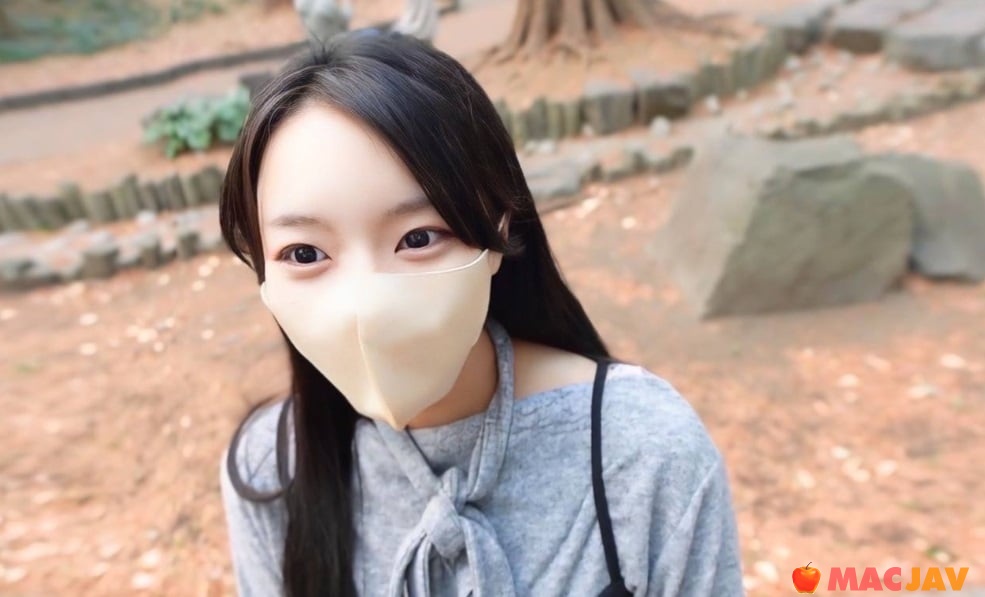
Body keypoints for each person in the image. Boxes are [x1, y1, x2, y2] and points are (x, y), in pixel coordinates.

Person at [217, 30, 743, 597]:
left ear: (497, 227)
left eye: (418, 237)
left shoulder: (643, 448)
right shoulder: (269, 470)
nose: (364, 305)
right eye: (304, 254)